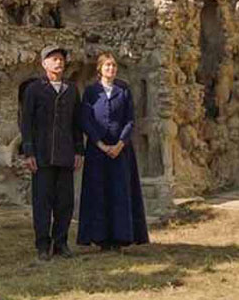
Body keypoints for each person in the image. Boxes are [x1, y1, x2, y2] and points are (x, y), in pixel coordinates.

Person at [77, 52, 149, 251]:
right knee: (98, 192)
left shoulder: (123, 90)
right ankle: (100, 238)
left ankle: (120, 237)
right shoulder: (91, 92)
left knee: (119, 192)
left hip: (120, 151)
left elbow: (130, 120)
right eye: (107, 65)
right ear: (100, 69)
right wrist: (100, 144)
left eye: (114, 65)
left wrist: (120, 144)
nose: (111, 69)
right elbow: (86, 120)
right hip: (97, 151)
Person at [20, 45, 84, 262]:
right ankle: (42, 245)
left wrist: (79, 150)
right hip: (42, 155)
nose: (59, 62)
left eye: (61, 59)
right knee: (42, 202)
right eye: (54, 59)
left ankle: (61, 243)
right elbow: (26, 122)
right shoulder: (34, 89)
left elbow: (76, 122)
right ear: (44, 63)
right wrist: (29, 152)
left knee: (65, 202)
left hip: (65, 153)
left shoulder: (71, 90)